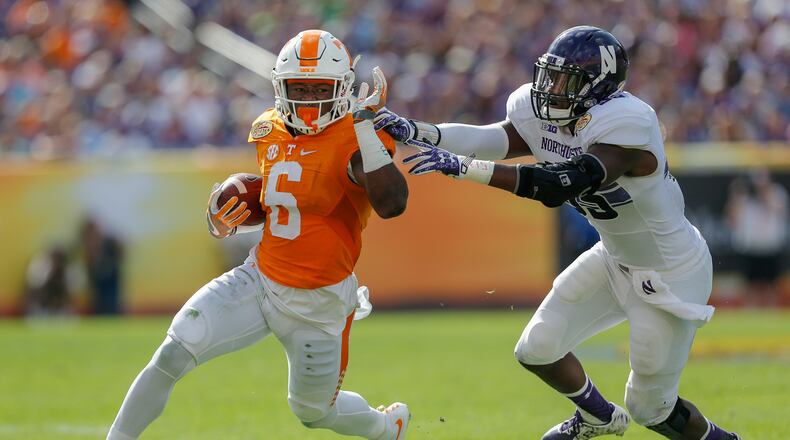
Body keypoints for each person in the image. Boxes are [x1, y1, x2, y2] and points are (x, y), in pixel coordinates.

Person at [376, 26, 740, 440]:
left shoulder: (627, 124)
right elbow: (492, 138)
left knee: (650, 408)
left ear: (599, 88)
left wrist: (463, 168)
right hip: (613, 258)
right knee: (536, 349)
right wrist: (419, 130)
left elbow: (560, 183)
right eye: (550, 75)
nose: (551, 89)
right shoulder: (541, 111)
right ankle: (598, 417)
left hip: (670, 274)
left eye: (566, 81)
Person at [107, 29, 410, 440]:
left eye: (317, 88)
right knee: (175, 348)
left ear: (342, 89)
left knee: (314, 412)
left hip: (319, 306)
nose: (307, 100)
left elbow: (392, 203)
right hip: (260, 279)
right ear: (278, 88)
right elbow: (276, 204)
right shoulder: (268, 128)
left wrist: (366, 134)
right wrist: (221, 215)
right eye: (297, 89)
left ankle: (383, 428)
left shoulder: (357, 137)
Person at [725, 170, 788, 307]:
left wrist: (763, 192)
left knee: (771, 288)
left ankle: (772, 317)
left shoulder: (777, 193)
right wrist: (736, 195)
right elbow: (732, 220)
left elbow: (778, 209)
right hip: (750, 249)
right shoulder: (743, 197)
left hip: (770, 248)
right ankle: (750, 314)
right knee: (750, 288)